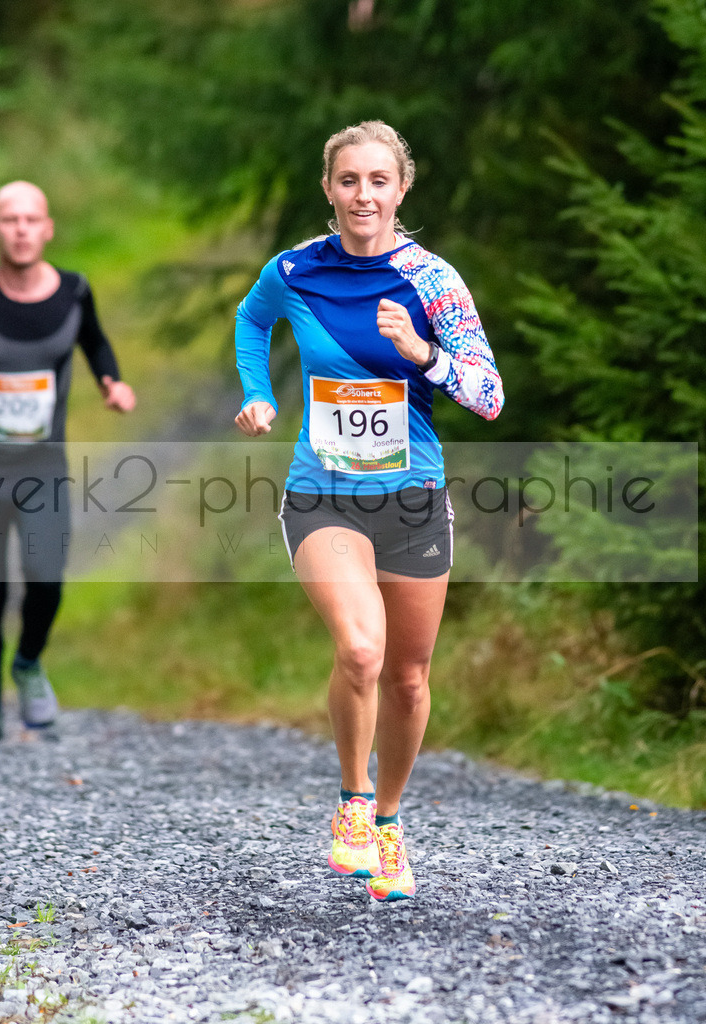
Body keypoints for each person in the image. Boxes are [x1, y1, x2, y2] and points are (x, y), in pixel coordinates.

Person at [234, 120, 504, 901]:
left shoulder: (434, 282)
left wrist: (424, 354)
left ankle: (388, 822)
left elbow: (489, 395)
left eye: (378, 181)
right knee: (361, 650)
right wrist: (258, 392)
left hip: (413, 498)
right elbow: (253, 320)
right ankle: (352, 804)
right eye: (349, 180)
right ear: (329, 188)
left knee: (410, 678)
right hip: (322, 495)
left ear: (401, 188)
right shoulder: (293, 271)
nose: (363, 195)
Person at [0, 180, 136, 749]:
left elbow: (95, 342)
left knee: (46, 582)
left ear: (47, 229)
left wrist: (112, 382)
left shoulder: (74, 291)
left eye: (31, 219)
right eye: (9, 219)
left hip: (43, 467)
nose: (21, 229)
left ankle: (27, 663)